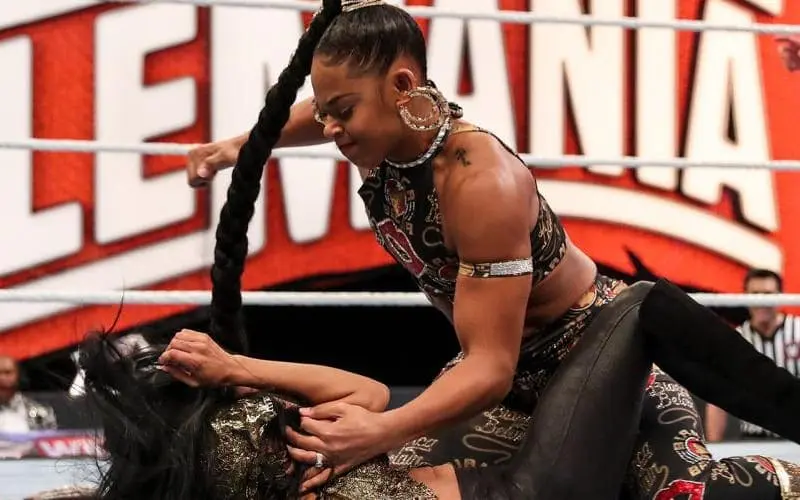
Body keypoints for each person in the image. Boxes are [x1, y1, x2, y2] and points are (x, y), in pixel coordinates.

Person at [183, 0, 800, 497]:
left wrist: (383, 428)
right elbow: (322, 108)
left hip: (603, 366)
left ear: (402, 86)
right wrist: (239, 146)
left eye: (343, 112)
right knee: (395, 481)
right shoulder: (379, 132)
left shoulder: (479, 183)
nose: (331, 129)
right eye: (326, 112)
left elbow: (489, 365)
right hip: (506, 387)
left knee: (677, 494)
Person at [80, 280, 655, 499]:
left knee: (480, 365)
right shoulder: (253, 438)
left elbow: (371, 399)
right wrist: (239, 370)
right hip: (534, 491)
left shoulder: (249, 445)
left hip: (504, 482)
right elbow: (371, 396)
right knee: (639, 308)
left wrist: (236, 369)